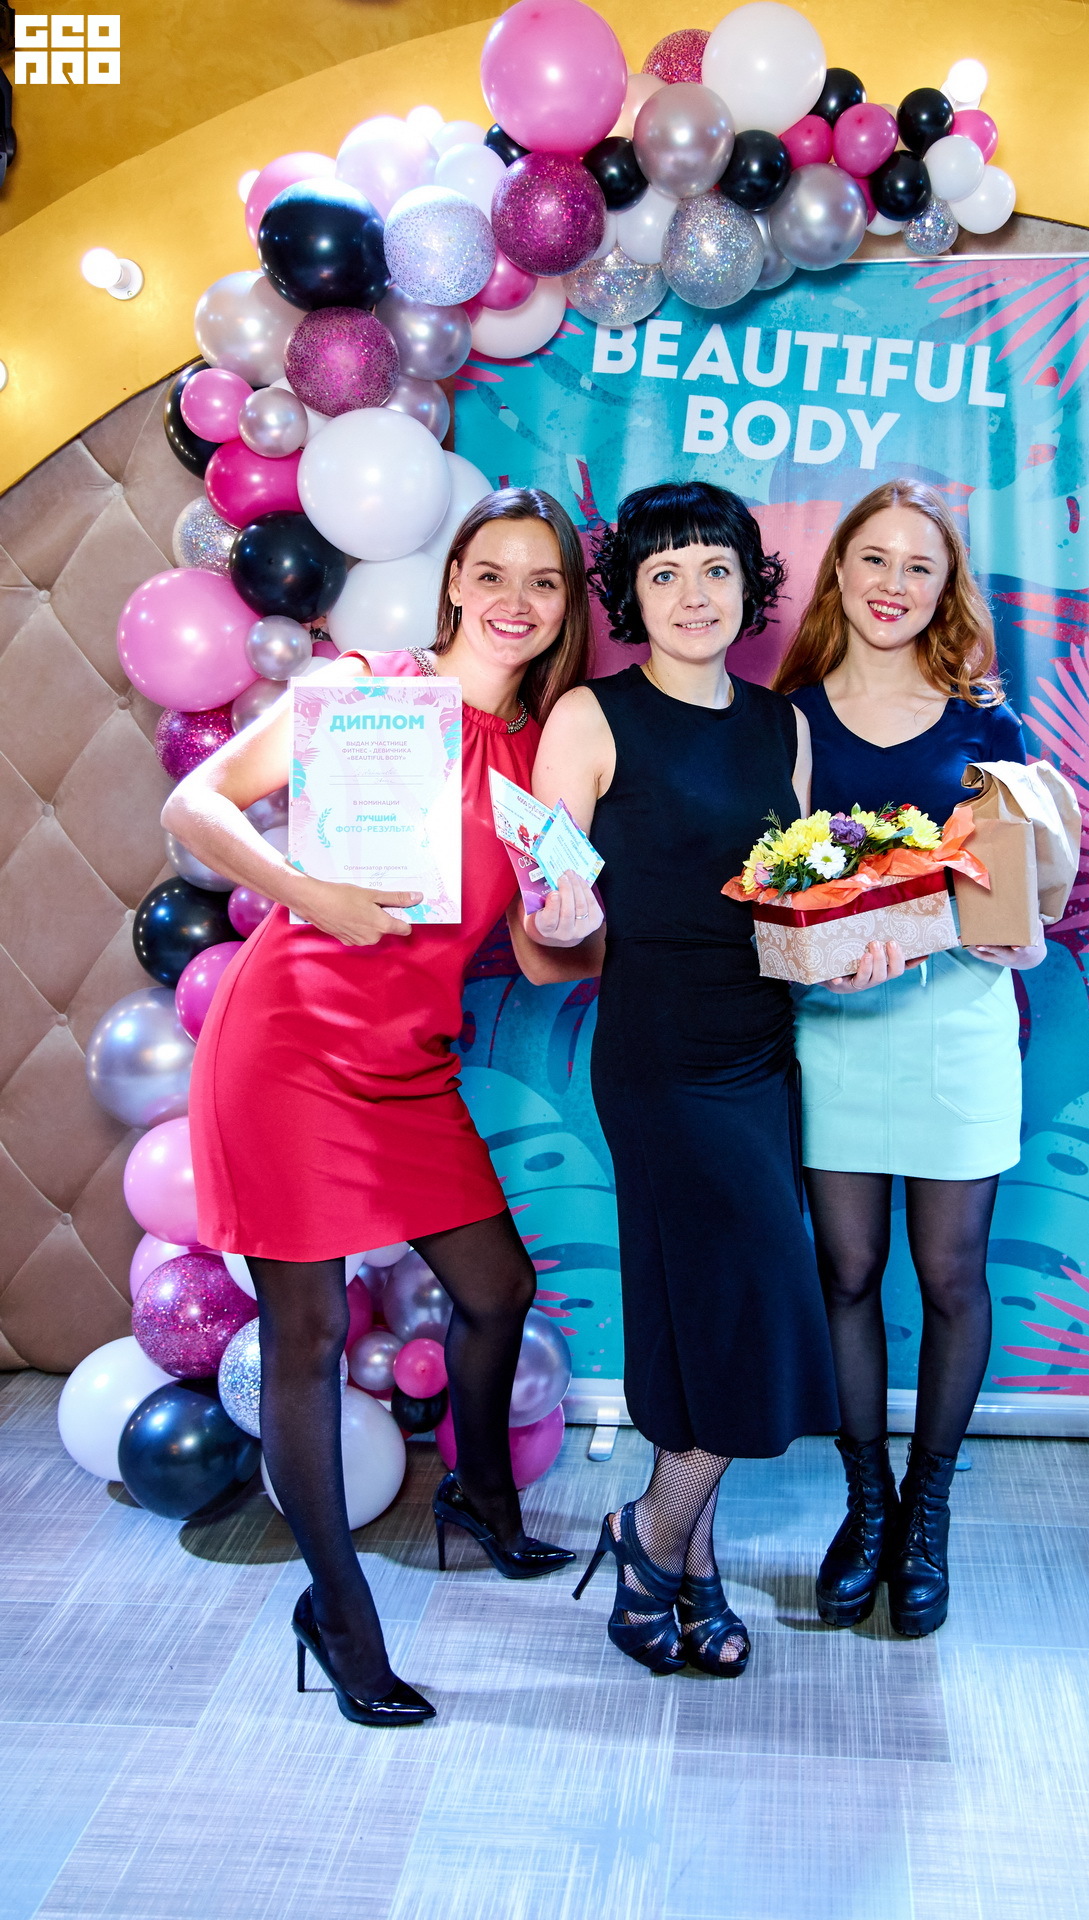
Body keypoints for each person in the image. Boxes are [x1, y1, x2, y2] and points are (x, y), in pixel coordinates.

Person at [164, 488, 604, 1726]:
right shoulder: (371, 688)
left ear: (565, 607)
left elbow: (544, 963)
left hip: (411, 1062)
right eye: (493, 574)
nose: (515, 601)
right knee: (303, 1336)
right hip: (288, 1042)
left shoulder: (538, 757)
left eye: (544, 582)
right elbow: (194, 805)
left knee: (497, 1289)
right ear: (453, 580)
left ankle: (480, 1498)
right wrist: (310, 891)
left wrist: (576, 923)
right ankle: (340, 1615)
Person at [534, 481, 839, 1679]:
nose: (691, 595)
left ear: (747, 587)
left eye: (714, 569)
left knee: (694, 1312)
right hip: (658, 1055)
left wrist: (851, 941)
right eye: (662, 574)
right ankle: (650, 1536)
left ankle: (687, 1568)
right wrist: (557, 909)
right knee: (755, 1298)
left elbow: (791, 902)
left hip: (762, 1050)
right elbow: (548, 889)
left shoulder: (781, 728)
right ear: (629, 596)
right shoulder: (589, 716)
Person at [775, 479, 1046, 1639]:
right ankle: (866, 1503)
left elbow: (1020, 901)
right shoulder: (788, 720)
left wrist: (998, 934)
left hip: (956, 1028)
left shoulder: (987, 724)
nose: (891, 584)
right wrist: (813, 951)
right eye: (873, 559)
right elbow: (773, 885)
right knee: (843, 1273)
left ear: (944, 589)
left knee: (947, 1277)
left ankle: (927, 1513)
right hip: (833, 1030)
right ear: (839, 570)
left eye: (917, 567)